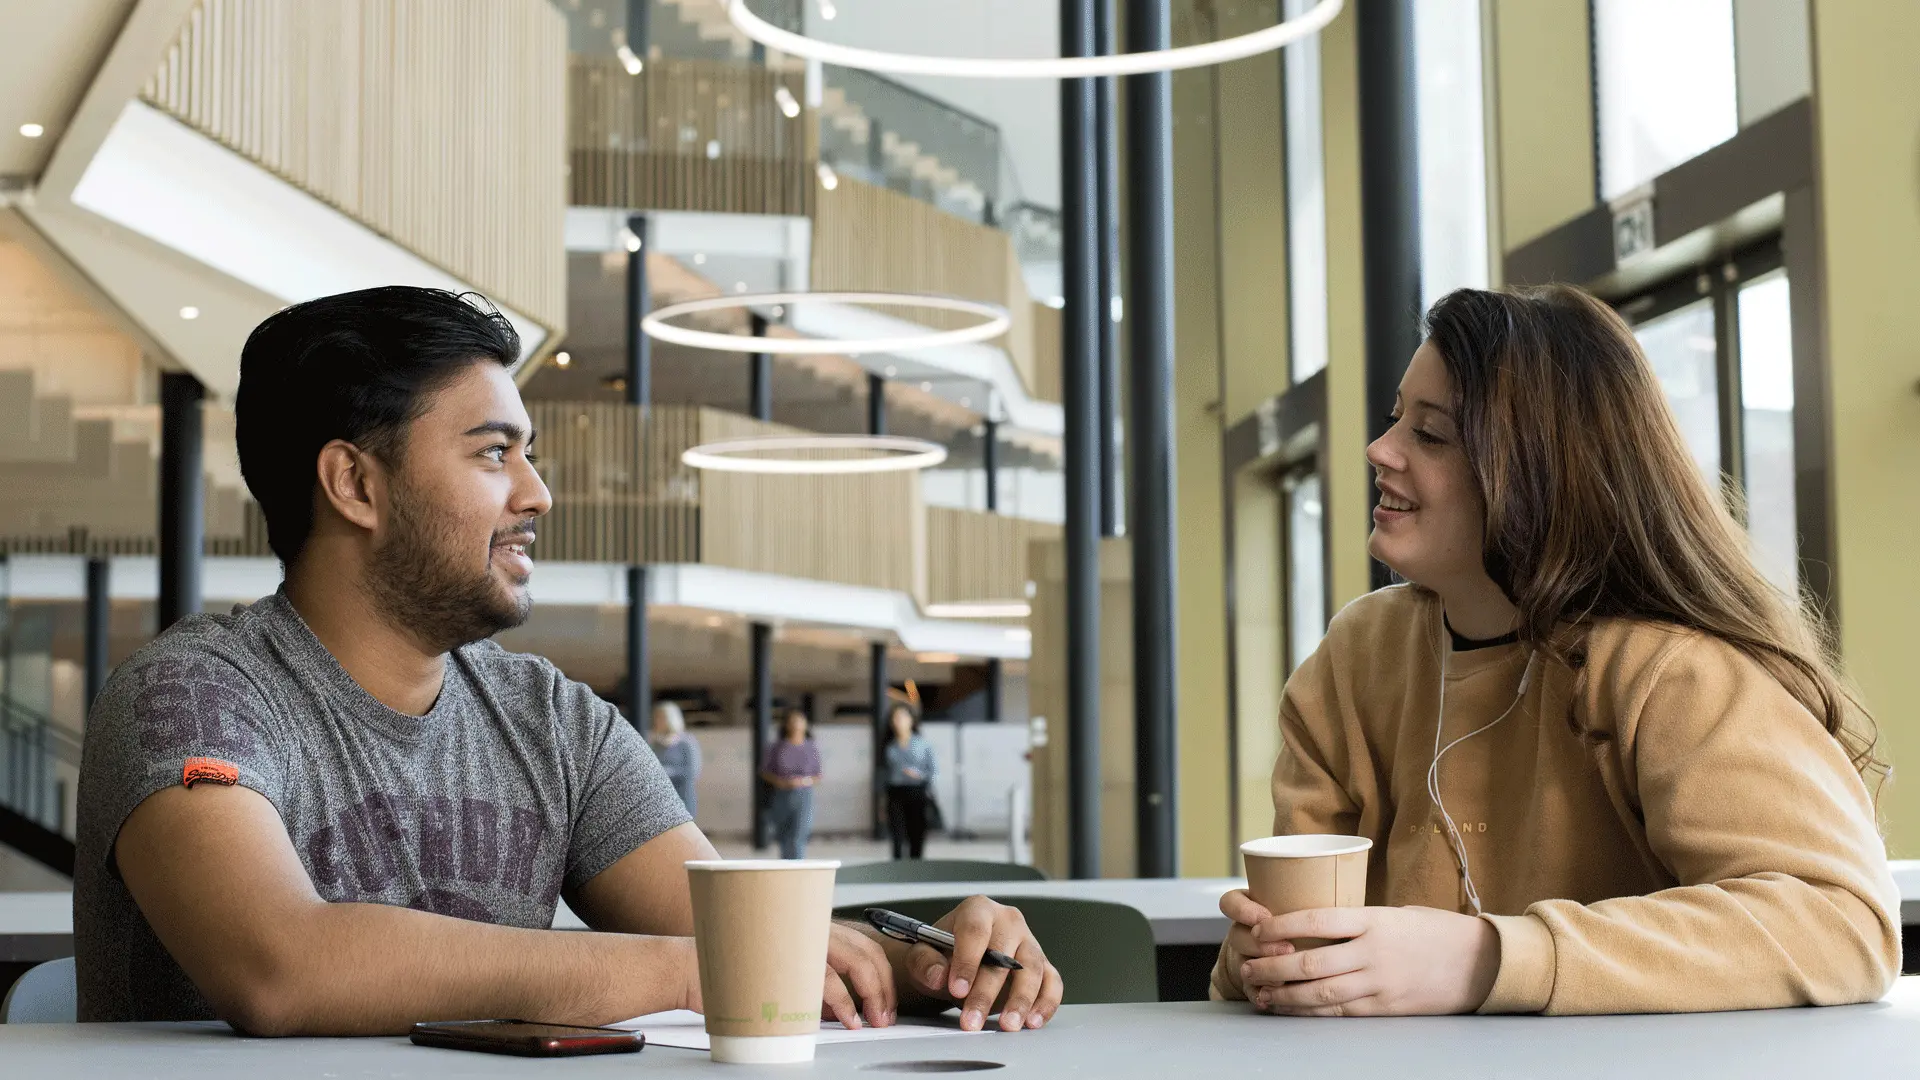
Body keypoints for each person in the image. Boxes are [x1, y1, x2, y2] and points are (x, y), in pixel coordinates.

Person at [75, 286, 1063, 1036]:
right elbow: (278, 965)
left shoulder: (552, 719)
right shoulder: (194, 693)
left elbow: (728, 934)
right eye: (494, 453)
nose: (538, 494)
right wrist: (685, 974)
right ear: (354, 484)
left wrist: (936, 955)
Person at [1215, 285, 1899, 1017]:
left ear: (1537, 470)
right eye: (1394, 420)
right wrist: (1262, 956)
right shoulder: (1357, 657)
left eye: (1432, 434)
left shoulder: (1670, 669)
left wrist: (1488, 959)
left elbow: (1842, 922)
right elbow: (1290, 943)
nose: (1379, 452)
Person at [760, 709, 822, 860]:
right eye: (792, 721)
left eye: (799, 721)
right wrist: (780, 782)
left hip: (803, 794)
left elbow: (818, 775)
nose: (796, 725)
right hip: (782, 795)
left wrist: (803, 781)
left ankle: (798, 869)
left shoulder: (810, 748)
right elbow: (764, 771)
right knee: (784, 837)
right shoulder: (777, 748)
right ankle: (786, 867)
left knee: (798, 836)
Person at [884, 704, 936, 860]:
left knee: (916, 833)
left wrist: (919, 774)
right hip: (895, 792)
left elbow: (934, 770)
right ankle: (897, 869)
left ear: (911, 720)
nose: (899, 721)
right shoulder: (889, 744)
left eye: (902, 717)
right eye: (895, 718)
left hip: (917, 791)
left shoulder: (922, 744)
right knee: (897, 834)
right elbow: (883, 772)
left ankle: (915, 867)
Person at [649, 701, 701, 817]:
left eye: (662, 718)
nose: (658, 721)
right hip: (661, 799)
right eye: (656, 717)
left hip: (683, 796)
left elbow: (693, 771)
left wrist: (668, 772)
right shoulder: (654, 743)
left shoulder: (686, 742)